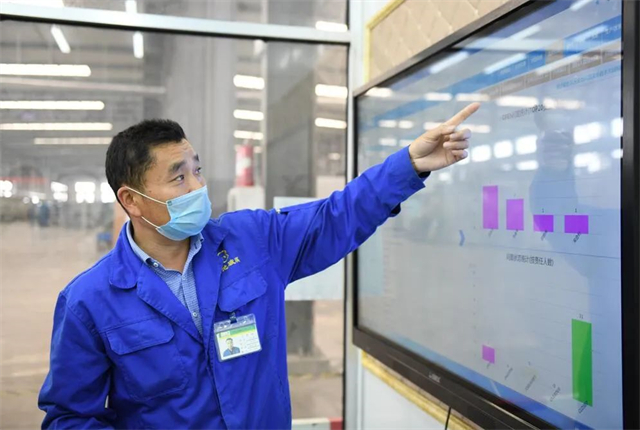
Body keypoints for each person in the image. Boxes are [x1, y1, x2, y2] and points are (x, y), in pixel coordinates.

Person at [38, 103, 480, 429]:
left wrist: (408, 166)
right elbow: (70, 417)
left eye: (197, 170)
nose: (197, 187)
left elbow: (336, 216)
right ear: (131, 200)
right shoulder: (89, 301)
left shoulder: (252, 240)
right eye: (178, 177)